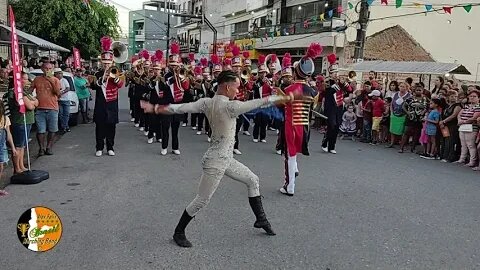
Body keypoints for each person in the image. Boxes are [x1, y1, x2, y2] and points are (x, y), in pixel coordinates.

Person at [142, 70, 292, 247]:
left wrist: (156, 108)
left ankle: (261, 220)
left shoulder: (207, 102)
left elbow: (180, 107)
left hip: (225, 158)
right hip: (215, 162)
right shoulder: (230, 106)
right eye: (236, 88)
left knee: (253, 180)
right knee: (201, 200)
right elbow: (259, 102)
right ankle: (179, 232)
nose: (238, 91)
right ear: (227, 87)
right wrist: (282, 98)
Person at [281, 43, 321, 196]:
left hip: (291, 126)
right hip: (305, 127)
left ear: (295, 73)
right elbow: (313, 105)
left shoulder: (288, 90)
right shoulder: (313, 91)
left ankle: (289, 186)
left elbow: (280, 105)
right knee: (295, 155)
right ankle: (294, 170)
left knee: (290, 156)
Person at [91, 36, 124, 157]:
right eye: (104, 63)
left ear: (112, 62)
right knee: (100, 126)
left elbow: (120, 84)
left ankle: (110, 147)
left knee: (111, 126)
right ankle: (99, 147)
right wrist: (102, 78)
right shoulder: (97, 73)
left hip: (112, 103)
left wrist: (113, 77)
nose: (106, 65)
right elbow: (93, 86)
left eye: (108, 63)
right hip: (100, 103)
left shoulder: (116, 71)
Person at [160, 43, 190, 155]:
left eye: (175, 65)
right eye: (172, 65)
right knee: (165, 128)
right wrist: (173, 77)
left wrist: (182, 78)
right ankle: (164, 147)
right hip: (167, 105)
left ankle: (175, 147)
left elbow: (186, 88)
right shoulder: (166, 75)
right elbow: (164, 85)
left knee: (175, 128)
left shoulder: (182, 75)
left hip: (177, 105)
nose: (174, 67)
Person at [7, 72, 38, 174]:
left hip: (28, 120)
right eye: (25, 79)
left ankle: (21, 165)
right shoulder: (14, 92)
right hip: (19, 121)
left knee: (23, 145)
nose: (27, 81)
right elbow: (30, 106)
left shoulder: (25, 92)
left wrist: (32, 103)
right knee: (18, 145)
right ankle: (17, 168)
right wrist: (32, 103)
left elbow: (36, 101)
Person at [30, 61, 61, 156]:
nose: (48, 70)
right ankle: (41, 148)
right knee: (40, 130)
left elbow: (58, 93)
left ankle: (49, 147)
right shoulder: (37, 79)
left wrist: (50, 80)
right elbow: (30, 91)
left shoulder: (55, 80)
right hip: (40, 109)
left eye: (50, 68)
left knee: (52, 130)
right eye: (46, 68)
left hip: (52, 108)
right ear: (42, 69)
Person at [252, 55, 274, 143]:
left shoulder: (269, 81)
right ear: (259, 73)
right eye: (261, 72)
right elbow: (255, 88)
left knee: (264, 121)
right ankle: (255, 136)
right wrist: (262, 81)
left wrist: (271, 85)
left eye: (264, 72)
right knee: (257, 121)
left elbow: (272, 91)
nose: (263, 74)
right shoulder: (257, 82)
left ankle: (263, 137)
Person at [399, 85, 427, 153]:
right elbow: (403, 106)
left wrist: (423, 112)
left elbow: (426, 107)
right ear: (414, 91)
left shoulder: (424, 99)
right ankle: (401, 148)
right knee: (406, 132)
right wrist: (407, 112)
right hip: (410, 117)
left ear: (422, 91)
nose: (418, 91)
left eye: (420, 90)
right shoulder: (410, 98)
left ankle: (412, 148)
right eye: (417, 90)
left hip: (419, 119)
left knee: (416, 134)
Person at [455, 90, 480, 166]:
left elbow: (474, 117)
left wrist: (463, 121)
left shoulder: (478, 107)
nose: (472, 98)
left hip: (472, 128)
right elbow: (459, 114)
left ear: (478, 98)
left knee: (471, 145)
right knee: (463, 144)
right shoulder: (466, 106)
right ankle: (462, 159)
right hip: (462, 127)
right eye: (471, 96)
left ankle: (472, 161)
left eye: (474, 96)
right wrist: (459, 120)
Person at [387, 82, 411, 148]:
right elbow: (392, 104)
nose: (402, 88)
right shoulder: (396, 94)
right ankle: (392, 143)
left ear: (407, 88)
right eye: (401, 86)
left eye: (403, 87)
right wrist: (391, 112)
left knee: (402, 131)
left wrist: (407, 114)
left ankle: (402, 145)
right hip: (394, 114)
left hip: (403, 115)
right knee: (392, 129)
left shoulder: (409, 96)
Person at [439, 90, 461, 162]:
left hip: (452, 126)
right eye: (452, 96)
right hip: (445, 126)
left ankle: (450, 157)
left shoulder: (457, 106)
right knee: (445, 140)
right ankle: (444, 155)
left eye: (455, 96)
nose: (454, 98)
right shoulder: (447, 106)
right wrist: (442, 122)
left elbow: (453, 115)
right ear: (448, 97)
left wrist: (444, 121)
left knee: (451, 141)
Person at [0, 101, 17, 196]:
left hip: (1, 146)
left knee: (1, 167)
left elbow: (9, 134)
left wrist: (13, 147)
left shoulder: (5, 119)